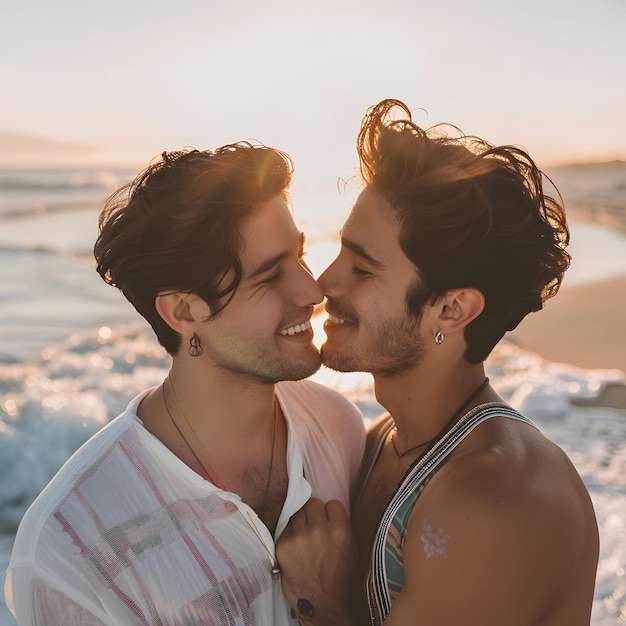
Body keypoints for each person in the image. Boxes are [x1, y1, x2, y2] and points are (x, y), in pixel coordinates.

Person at [4, 143, 366, 625]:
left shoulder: (337, 427)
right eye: (268, 276)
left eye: (299, 255)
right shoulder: (71, 545)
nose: (311, 290)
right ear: (183, 311)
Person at [276, 100, 600, 625]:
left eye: (362, 267)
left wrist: (322, 600)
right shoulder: (383, 436)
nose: (324, 283)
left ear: (450, 310)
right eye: (340, 252)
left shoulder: (495, 498)